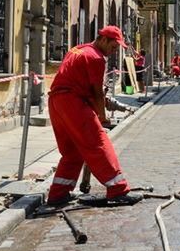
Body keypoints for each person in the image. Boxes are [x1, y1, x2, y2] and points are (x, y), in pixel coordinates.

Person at [46, 26, 141, 206]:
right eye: (113, 47)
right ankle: (118, 189)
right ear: (103, 39)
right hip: (73, 102)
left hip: (56, 102)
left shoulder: (78, 49)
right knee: (98, 142)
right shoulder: (96, 58)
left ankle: (58, 194)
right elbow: (97, 92)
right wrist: (102, 117)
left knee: (72, 151)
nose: (113, 52)